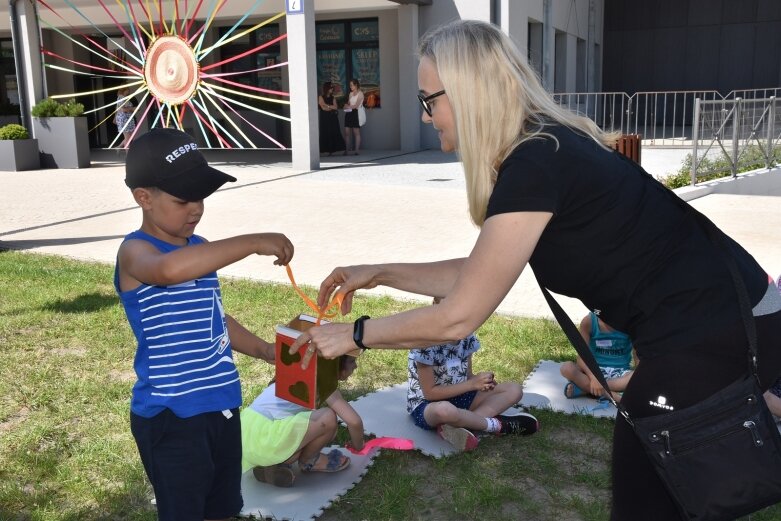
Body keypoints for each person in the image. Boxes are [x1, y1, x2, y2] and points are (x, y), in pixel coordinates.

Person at [289, 20, 781, 521]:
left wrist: (352, 335)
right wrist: (377, 272)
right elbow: (482, 272)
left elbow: (458, 316)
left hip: (715, 324)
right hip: (720, 319)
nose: (426, 116)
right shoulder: (541, 147)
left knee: (646, 492)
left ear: (468, 93)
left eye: (428, 99)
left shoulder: (536, 161)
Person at [114, 128, 294, 521]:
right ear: (144, 198)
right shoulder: (136, 252)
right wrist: (251, 242)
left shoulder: (199, 250)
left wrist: (265, 350)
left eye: (200, 197)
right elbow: (166, 271)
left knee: (224, 506)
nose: (195, 208)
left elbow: (214, 318)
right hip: (171, 418)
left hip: (222, 406)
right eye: (183, 199)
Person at [407, 298, 539, 452]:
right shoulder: (424, 342)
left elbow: (467, 376)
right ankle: (496, 425)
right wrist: (471, 384)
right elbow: (429, 393)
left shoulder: (466, 336)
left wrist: (482, 383)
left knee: (514, 390)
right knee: (445, 410)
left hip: (461, 397)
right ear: (435, 304)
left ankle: (460, 426)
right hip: (427, 406)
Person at [241, 355, 363, 487]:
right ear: (333, 365)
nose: (355, 366)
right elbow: (354, 422)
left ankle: (269, 467)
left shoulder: (295, 374)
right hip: (266, 437)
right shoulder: (322, 381)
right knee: (327, 419)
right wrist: (359, 446)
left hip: (246, 436)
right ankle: (310, 461)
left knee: (306, 437)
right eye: (351, 361)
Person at [560, 312, 635, 402]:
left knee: (637, 376)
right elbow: (581, 357)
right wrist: (593, 377)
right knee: (566, 368)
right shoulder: (588, 322)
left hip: (620, 374)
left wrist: (640, 379)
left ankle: (585, 389)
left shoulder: (631, 323)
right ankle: (613, 395)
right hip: (592, 371)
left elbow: (639, 357)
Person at [318, 82, 346, 156]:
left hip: (333, 117)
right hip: (324, 118)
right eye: (330, 88)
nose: (332, 89)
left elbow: (335, 107)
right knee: (325, 132)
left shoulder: (333, 97)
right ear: (326, 88)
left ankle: (336, 149)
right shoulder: (321, 97)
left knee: (334, 131)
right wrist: (330, 107)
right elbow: (323, 108)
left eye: (332, 88)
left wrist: (327, 105)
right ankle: (326, 150)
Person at [342, 78, 364, 156]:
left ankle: (357, 150)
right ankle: (347, 150)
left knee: (356, 132)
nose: (350, 87)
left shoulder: (360, 93)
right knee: (347, 132)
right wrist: (346, 105)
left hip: (356, 113)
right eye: (350, 85)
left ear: (356, 85)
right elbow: (348, 103)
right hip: (349, 113)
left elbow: (356, 106)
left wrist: (348, 106)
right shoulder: (350, 94)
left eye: (352, 85)